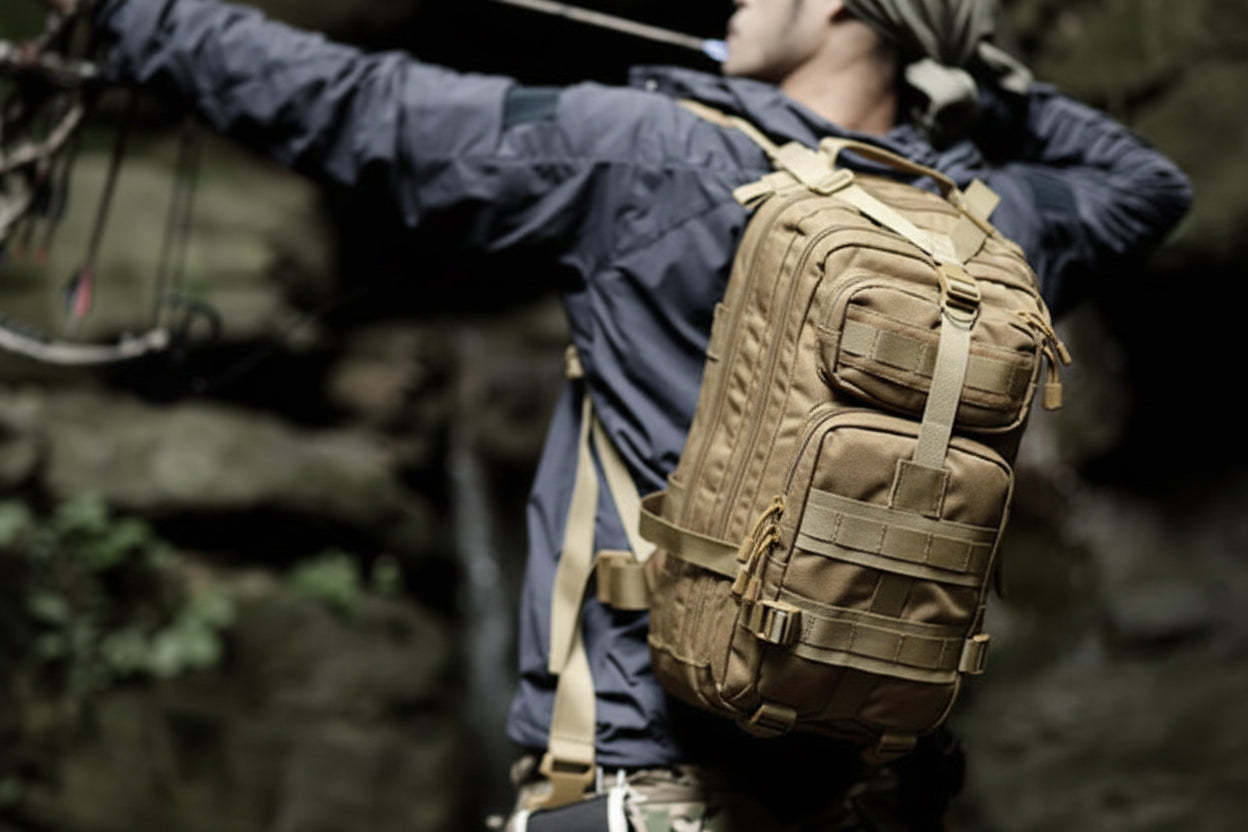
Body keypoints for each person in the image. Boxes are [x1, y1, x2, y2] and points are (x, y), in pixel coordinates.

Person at [39, 0, 1192, 828]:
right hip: (879, 800)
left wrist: (137, 20)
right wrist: (983, 70)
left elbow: (356, 107)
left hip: (644, 787)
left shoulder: (652, 153)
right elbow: (1149, 185)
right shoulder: (995, 223)